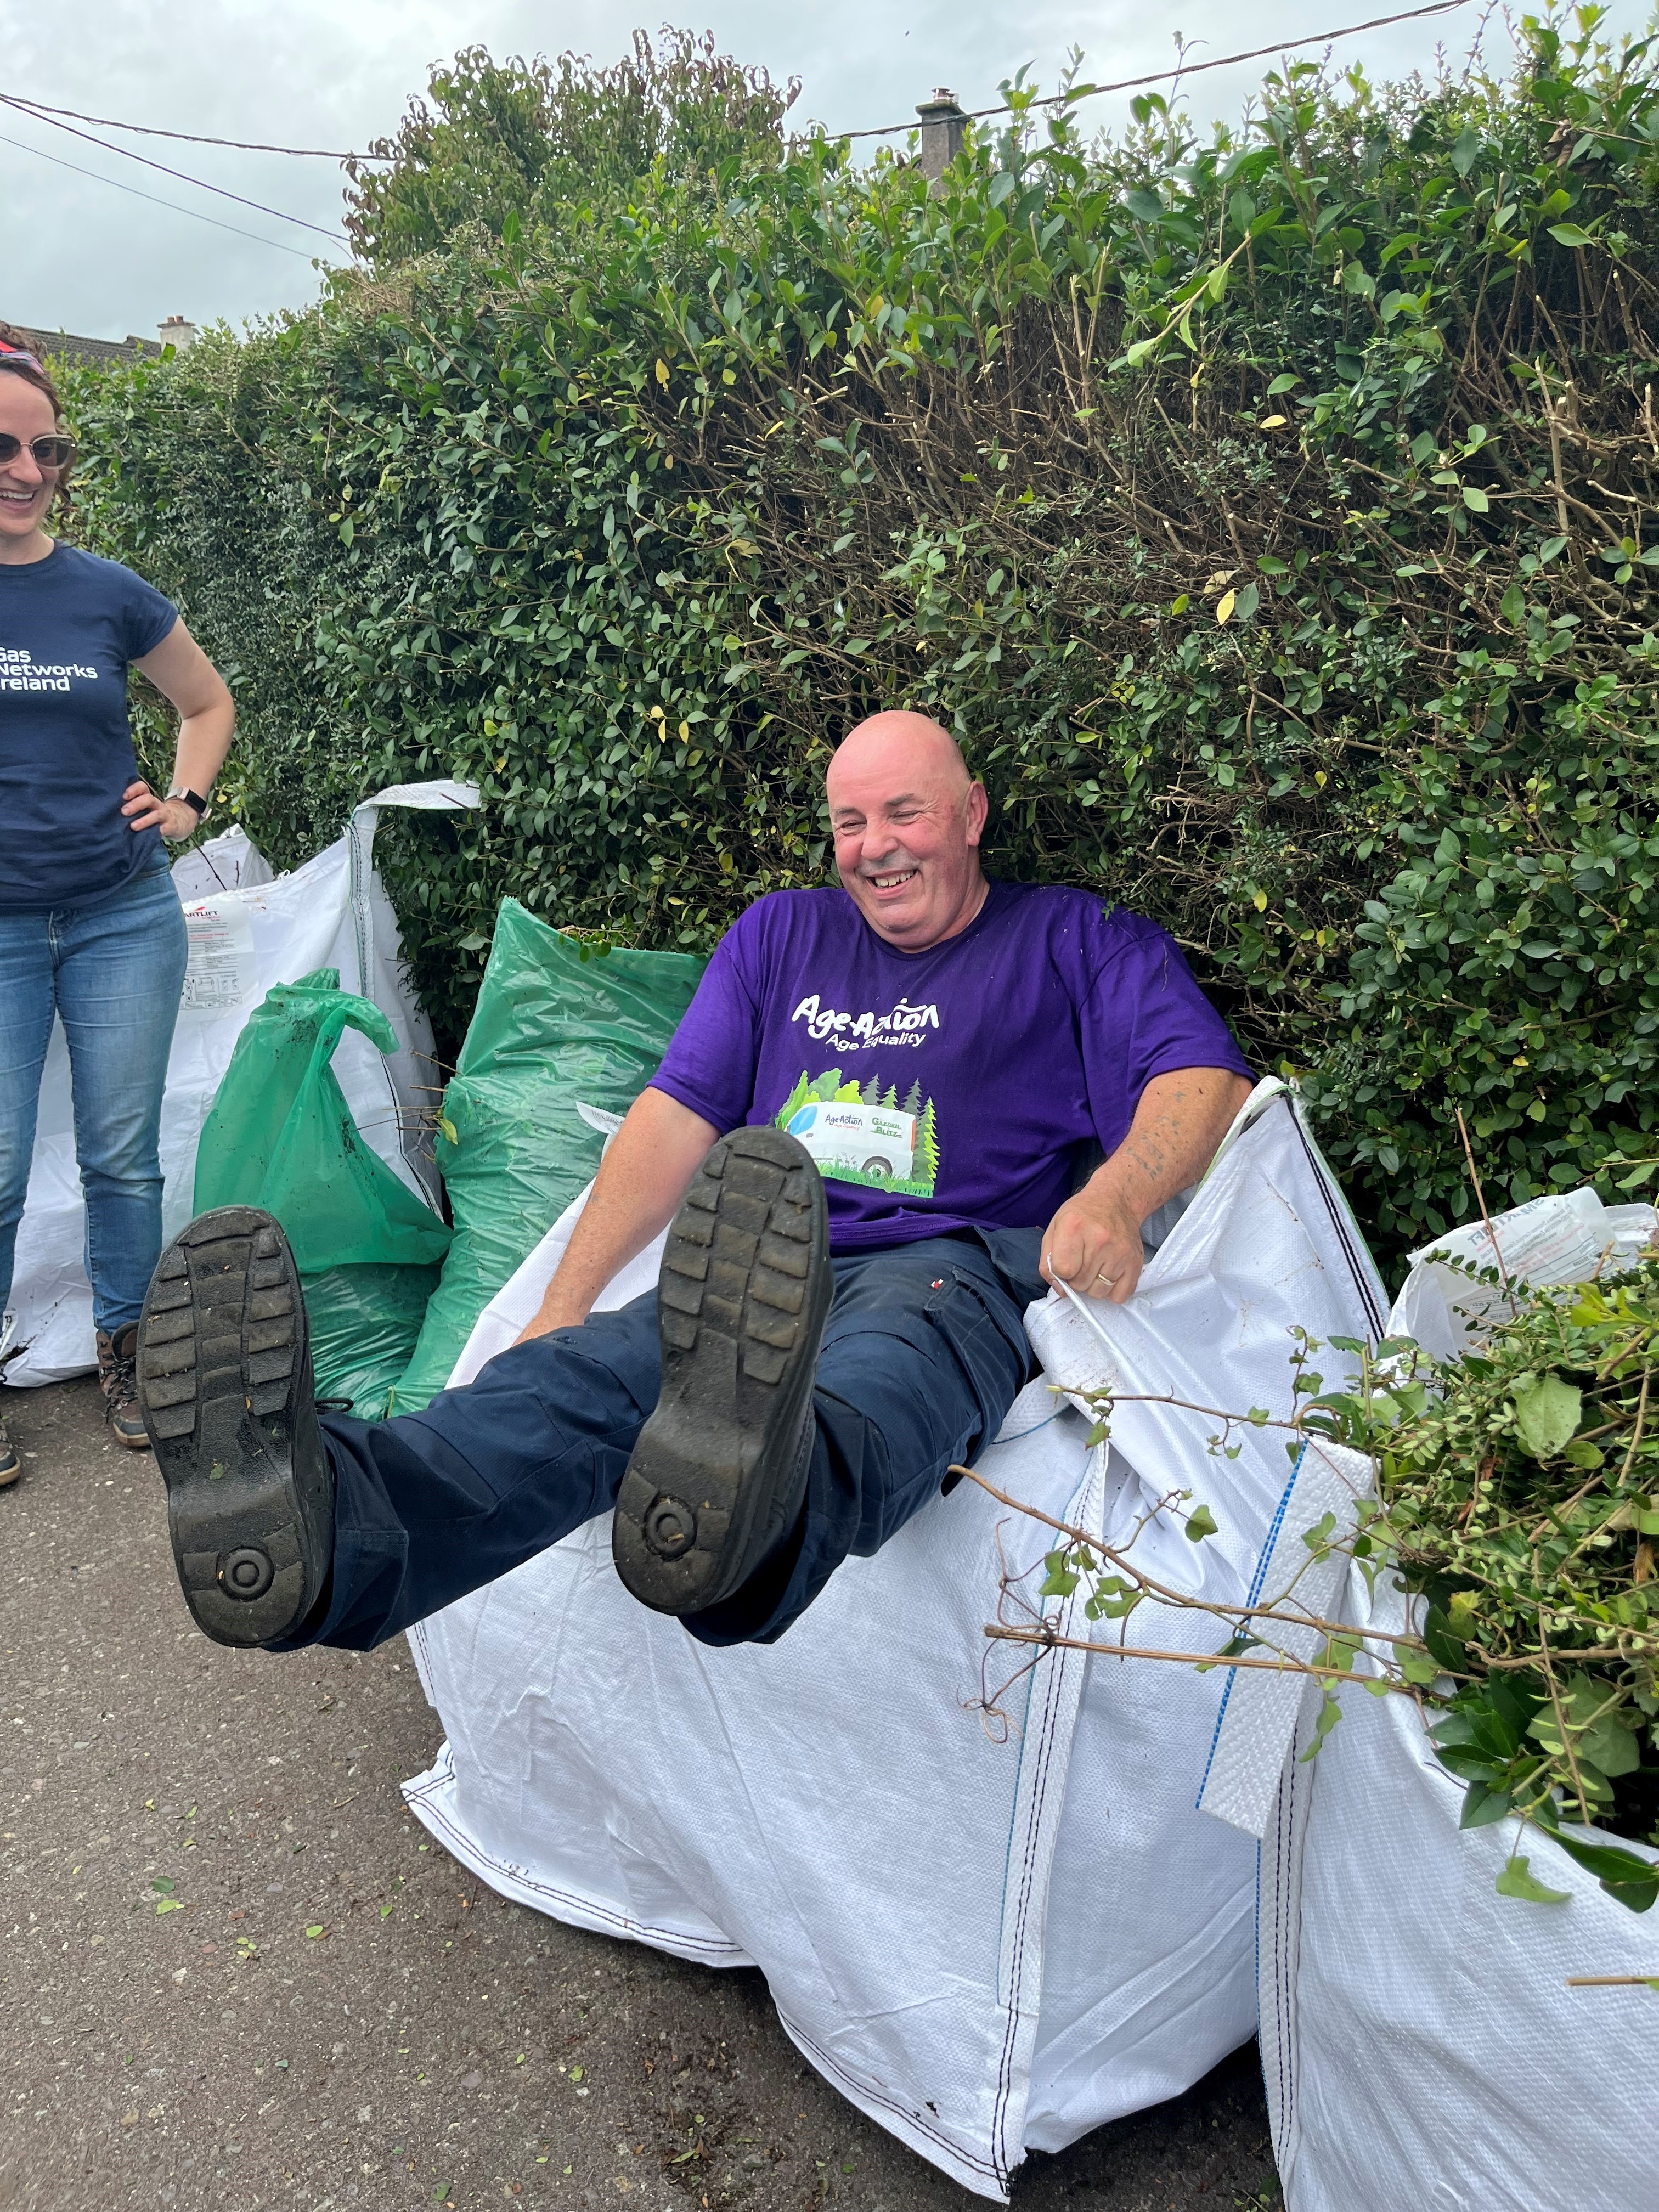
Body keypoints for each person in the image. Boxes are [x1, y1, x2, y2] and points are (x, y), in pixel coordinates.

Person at [136, 712, 1254, 1649]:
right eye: (849, 823)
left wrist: (1110, 1203)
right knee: (569, 1388)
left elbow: (1200, 1074)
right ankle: (322, 1526)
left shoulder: (1069, 938)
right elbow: (674, 1118)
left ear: (971, 815)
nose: (875, 847)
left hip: (946, 1268)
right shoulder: (780, 937)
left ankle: (763, 1518)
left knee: (883, 1380)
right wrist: (561, 1304)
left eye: (904, 814)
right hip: (751, 1275)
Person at [0, 326, 235, 1489]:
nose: (28, 470)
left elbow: (205, 701)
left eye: (48, 449)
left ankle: (132, 1355)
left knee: (121, 1157)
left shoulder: (106, 592)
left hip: (117, 914)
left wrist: (186, 803)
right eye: (3, 445)